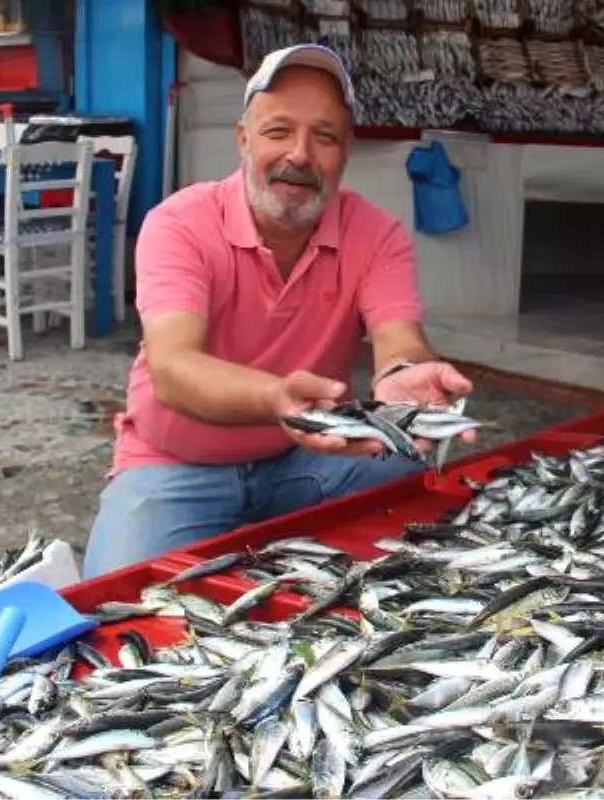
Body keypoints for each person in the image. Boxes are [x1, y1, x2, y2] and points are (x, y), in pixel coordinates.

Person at [81, 44, 475, 579]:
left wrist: (406, 376)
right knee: (114, 608)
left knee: (418, 483)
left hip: (305, 462)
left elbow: (398, 340)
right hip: (176, 469)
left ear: (347, 151)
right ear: (243, 139)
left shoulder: (375, 233)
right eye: (278, 131)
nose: (300, 155)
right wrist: (275, 399)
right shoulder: (179, 223)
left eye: (325, 137)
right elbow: (173, 369)